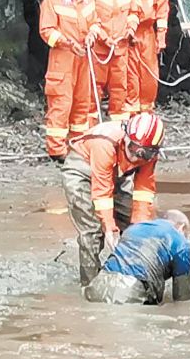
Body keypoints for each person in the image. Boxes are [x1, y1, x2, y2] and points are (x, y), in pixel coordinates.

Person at [62, 111, 164, 286]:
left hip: (114, 175)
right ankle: (90, 284)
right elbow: (102, 192)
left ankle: (133, 273)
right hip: (82, 172)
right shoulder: (105, 143)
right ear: (125, 138)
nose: (136, 157)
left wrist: (139, 230)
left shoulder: (149, 156)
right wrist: (109, 228)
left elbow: (143, 193)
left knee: (134, 225)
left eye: (144, 154)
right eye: (132, 148)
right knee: (92, 231)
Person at [38, 0, 103, 162]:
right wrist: (68, 43)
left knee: (83, 103)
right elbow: (46, 31)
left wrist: (94, 32)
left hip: (85, 57)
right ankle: (57, 151)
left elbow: (95, 21)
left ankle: (78, 145)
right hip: (62, 60)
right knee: (61, 104)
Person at [83, 0, 143, 125]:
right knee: (94, 89)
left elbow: (134, 12)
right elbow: (88, 17)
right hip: (100, 49)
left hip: (121, 48)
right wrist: (104, 37)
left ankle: (119, 129)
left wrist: (130, 29)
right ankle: (91, 129)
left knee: (120, 89)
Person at [84, 209, 190, 305]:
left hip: (98, 285)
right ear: (181, 228)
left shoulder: (133, 229)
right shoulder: (180, 242)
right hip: (130, 293)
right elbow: (183, 298)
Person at [123, 0, 170, 115]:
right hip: (129, 34)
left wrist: (161, 36)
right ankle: (131, 115)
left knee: (150, 75)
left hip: (148, 33)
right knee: (130, 75)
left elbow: (162, 9)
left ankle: (147, 114)